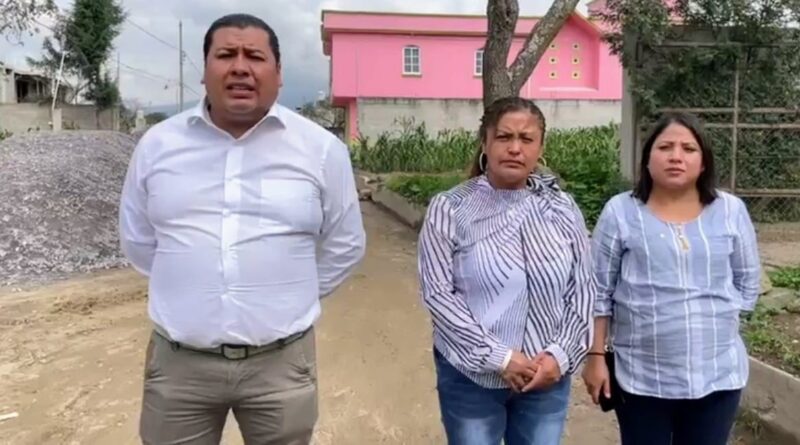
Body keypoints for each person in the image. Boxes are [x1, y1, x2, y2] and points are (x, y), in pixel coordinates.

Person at [118, 13, 366, 445]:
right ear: (204, 70)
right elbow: (139, 240)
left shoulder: (322, 150)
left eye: (254, 56)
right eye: (225, 55)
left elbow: (345, 244)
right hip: (180, 367)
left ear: (279, 73)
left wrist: (289, 295)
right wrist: (193, 285)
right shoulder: (157, 145)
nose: (240, 67)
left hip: (281, 365)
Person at [417, 96, 596, 445]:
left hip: (545, 379)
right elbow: (438, 294)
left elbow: (583, 288)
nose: (515, 148)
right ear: (485, 143)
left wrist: (560, 356)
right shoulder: (451, 208)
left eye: (526, 139)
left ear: (540, 147)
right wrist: (500, 358)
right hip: (472, 378)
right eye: (504, 137)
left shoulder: (561, 207)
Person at [581, 112, 761, 445]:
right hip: (641, 376)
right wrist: (595, 357)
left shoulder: (730, 210)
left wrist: (710, 321)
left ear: (703, 162)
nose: (676, 156)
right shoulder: (621, 212)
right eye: (665, 147)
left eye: (688, 149)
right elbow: (597, 292)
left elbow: (747, 283)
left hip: (718, 375)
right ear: (648, 159)